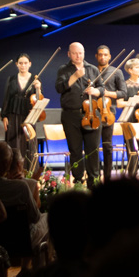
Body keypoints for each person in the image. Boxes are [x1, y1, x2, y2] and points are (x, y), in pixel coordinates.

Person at [54, 43, 101, 184]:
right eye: (74, 53)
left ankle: (94, 181)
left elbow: (102, 88)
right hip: (71, 115)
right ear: (69, 54)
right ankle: (78, 180)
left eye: (80, 53)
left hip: (91, 114)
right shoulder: (63, 69)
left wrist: (96, 91)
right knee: (75, 150)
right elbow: (59, 88)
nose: (78, 56)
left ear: (84, 53)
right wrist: (74, 76)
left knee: (92, 150)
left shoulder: (92, 69)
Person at [90, 45, 126, 182]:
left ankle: (108, 177)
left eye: (105, 55)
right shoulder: (91, 71)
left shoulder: (116, 72)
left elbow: (123, 93)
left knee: (107, 145)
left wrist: (106, 93)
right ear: (96, 56)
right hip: (92, 112)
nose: (103, 57)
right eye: (100, 54)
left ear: (110, 56)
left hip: (108, 113)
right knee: (92, 146)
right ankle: (94, 177)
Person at [2, 52, 41, 167]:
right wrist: (4, 116)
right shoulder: (11, 79)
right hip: (13, 114)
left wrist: (38, 88)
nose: (23, 65)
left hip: (29, 115)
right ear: (17, 64)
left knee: (29, 144)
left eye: (25, 63)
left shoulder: (35, 79)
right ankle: (13, 169)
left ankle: (30, 170)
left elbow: (39, 98)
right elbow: (7, 98)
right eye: (20, 63)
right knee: (13, 143)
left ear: (30, 64)